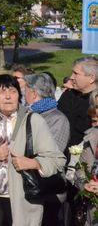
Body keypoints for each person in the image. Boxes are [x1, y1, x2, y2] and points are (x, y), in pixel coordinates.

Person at [0, 75, 65, 226]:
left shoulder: (34, 121)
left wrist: (33, 163)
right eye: (1, 92)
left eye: (13, 91)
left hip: (24, 201)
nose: (8, 96)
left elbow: (57, 159)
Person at [23, 73, 70, 225]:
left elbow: (53, 152)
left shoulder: (57, 118)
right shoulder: (25, 114)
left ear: (34, 93)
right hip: (29, 186)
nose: (23, 94)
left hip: (47, 189)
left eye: (26, 90)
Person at [70, 89, 98, 225]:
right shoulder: (91, 137)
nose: (95, 111)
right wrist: (84, 184)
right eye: (94, 106)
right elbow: (79, 169)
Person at [59, 57, 98, 150]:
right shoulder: (68, 94)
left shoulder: (95, 102)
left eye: (76, 73)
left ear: (91, 78)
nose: (71, 77)